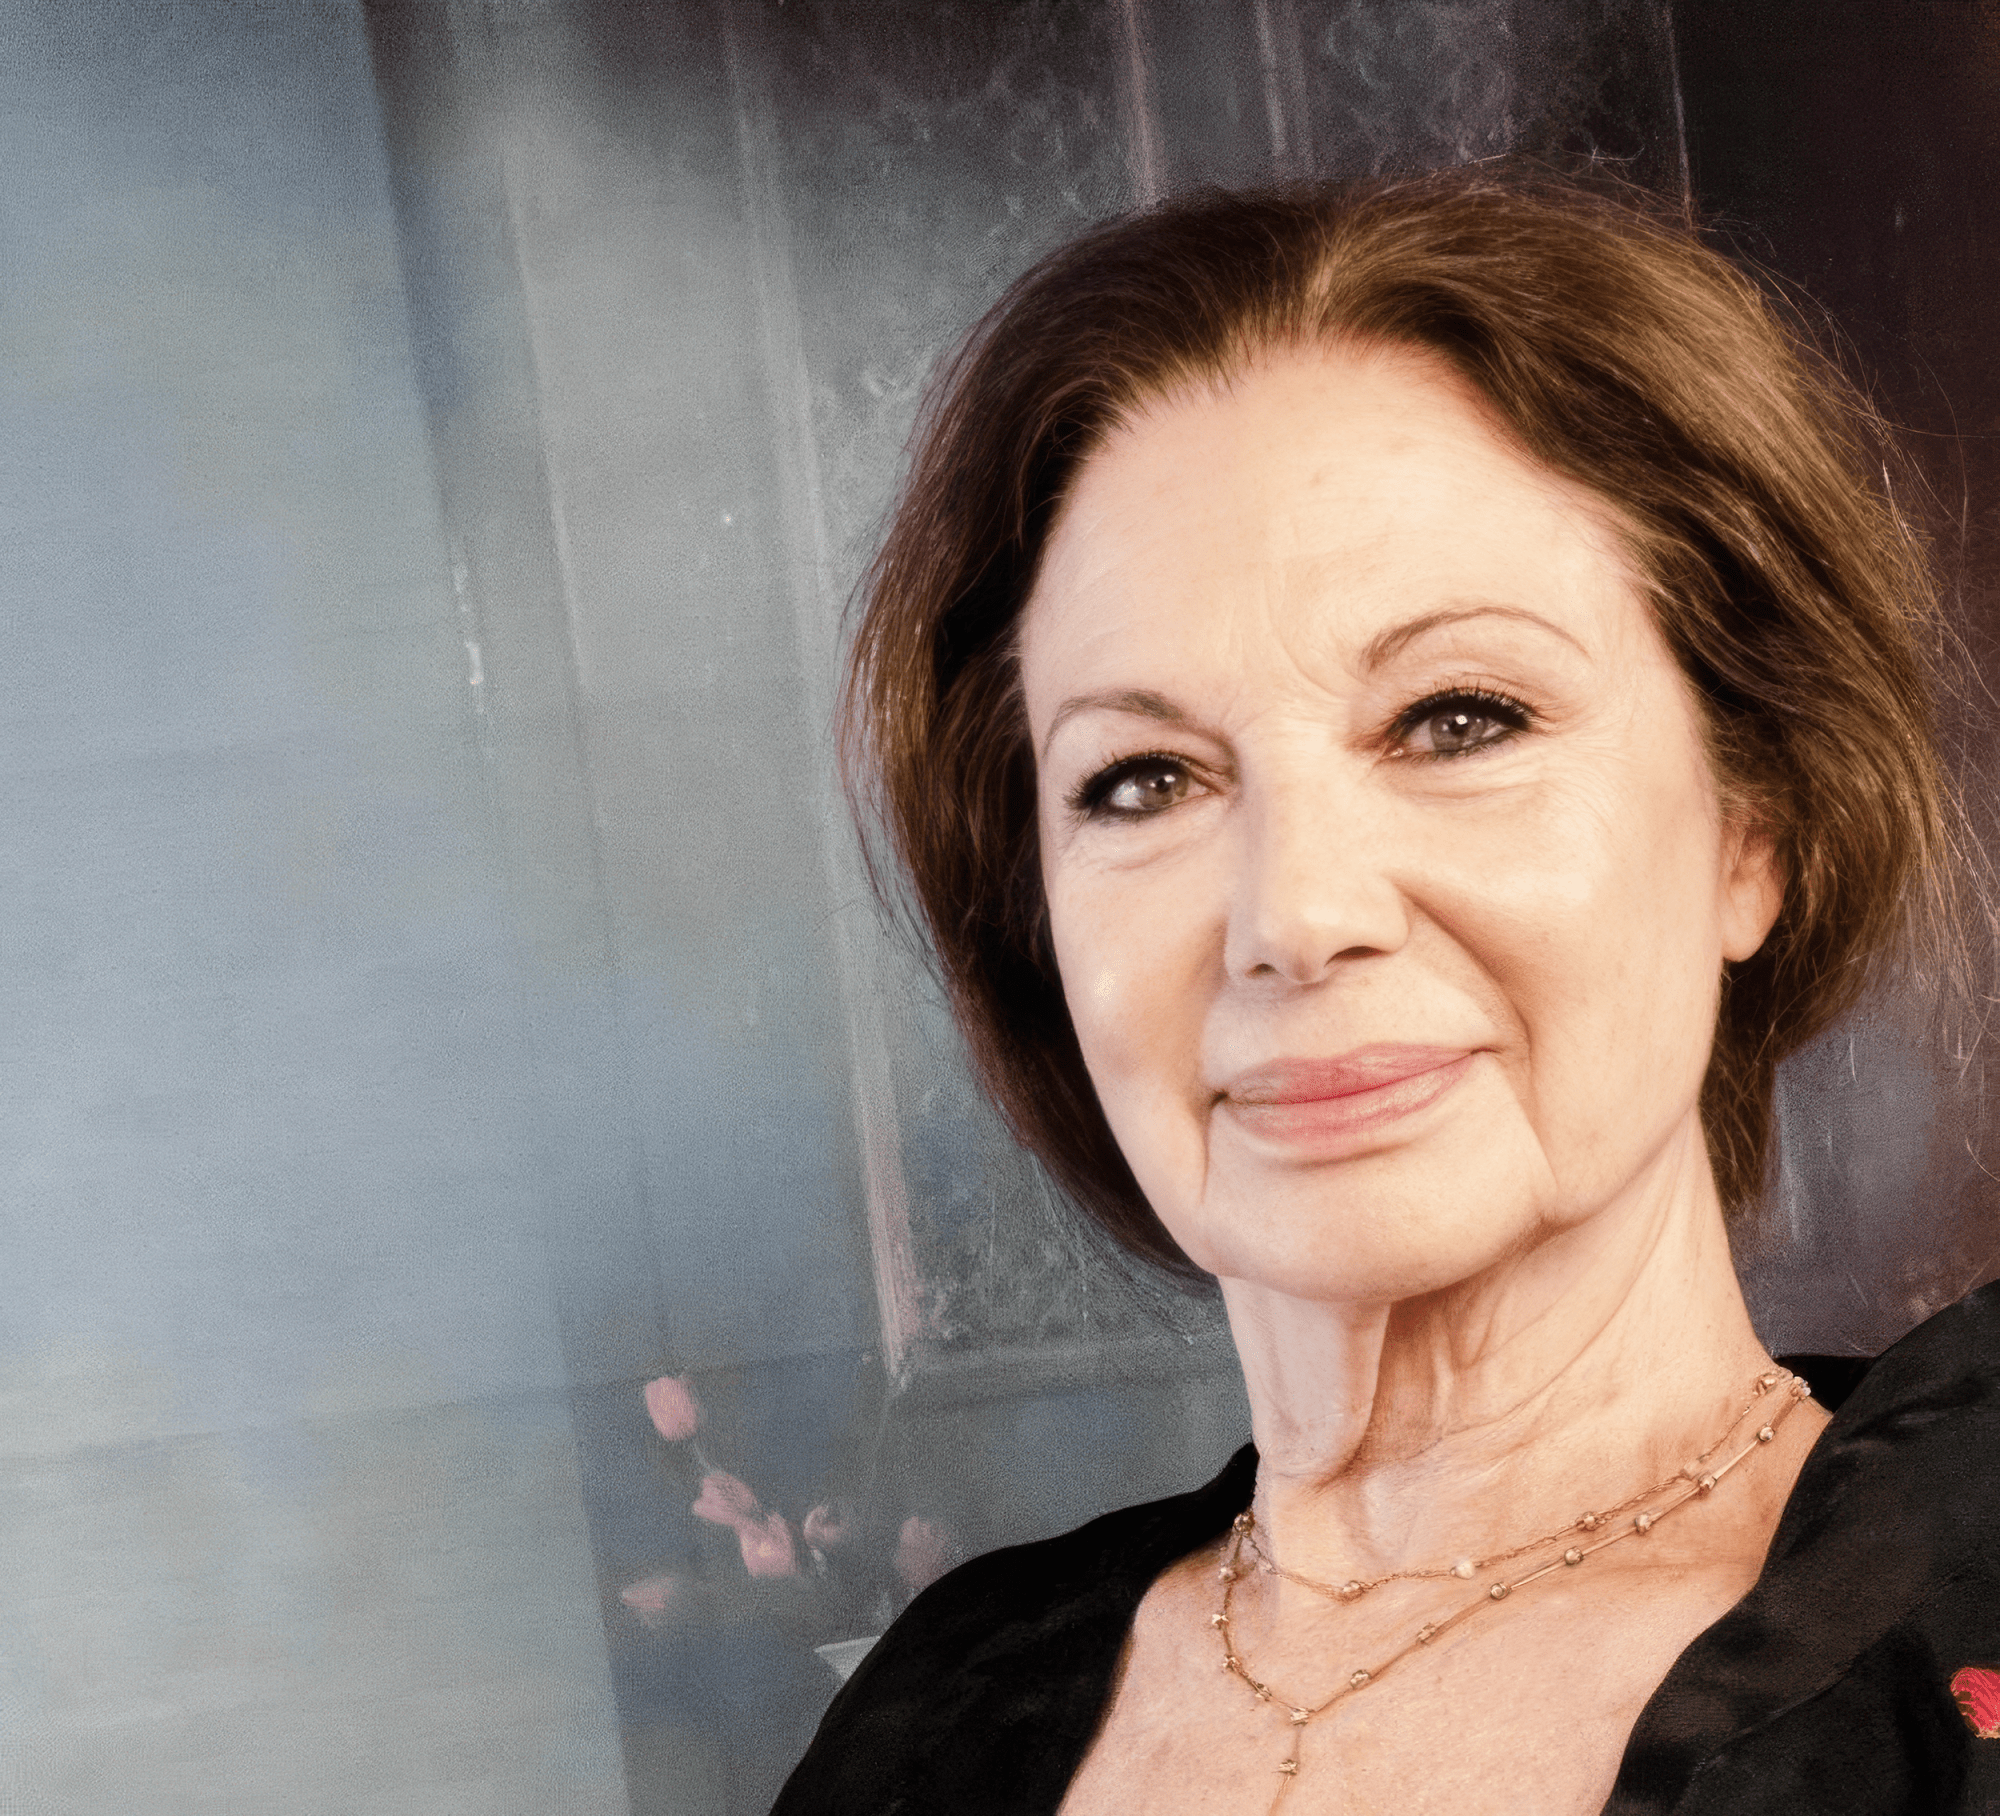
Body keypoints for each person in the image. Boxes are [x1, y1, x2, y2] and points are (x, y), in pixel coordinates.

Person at [771, 167, 2000, 1814]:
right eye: (1142, 780)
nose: (1296, 914)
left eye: (1459, 719)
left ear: (1753, 831)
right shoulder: (930, 1725)